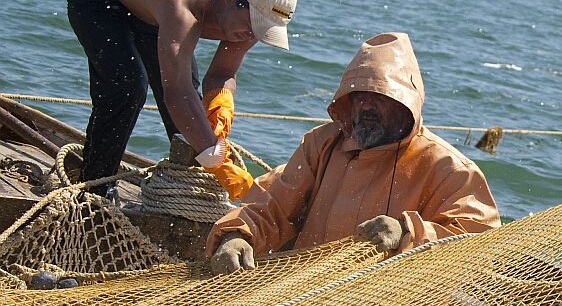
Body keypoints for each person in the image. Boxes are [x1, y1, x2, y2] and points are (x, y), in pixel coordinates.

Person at [207, 32, 501, 274]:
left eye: (381, 96)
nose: (368, 105)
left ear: (406, 104)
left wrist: (407, 232)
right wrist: (236, 236)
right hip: (299, 294)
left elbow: (479, 240)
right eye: (360, 95)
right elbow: (273, 207)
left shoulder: (448, 168)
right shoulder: (322, 144)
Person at [67, 0, 297, 199]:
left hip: (153, 16)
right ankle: (93, 189)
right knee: (128, 89)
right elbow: (176, 93)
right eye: (253, 26)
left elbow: (222, 74)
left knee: (194, 113)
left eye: (263, 32)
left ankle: (187, 193)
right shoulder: (185, 5)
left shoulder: (248, 15)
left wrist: (222, 101)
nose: (252, 37)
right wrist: (217, 159)